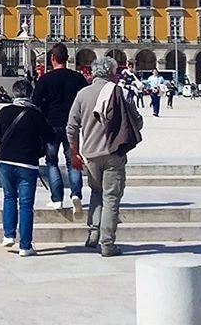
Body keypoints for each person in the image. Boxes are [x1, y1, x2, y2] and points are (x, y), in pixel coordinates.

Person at [66, 56, 143, 257]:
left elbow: (71, 127)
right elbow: (137, 122)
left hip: (90, 154)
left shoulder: (83, 94)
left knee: (96, 193)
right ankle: (107, 244)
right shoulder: (121, 92)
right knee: (111, 197)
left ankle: (93, 234)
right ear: (111, 73)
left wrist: (74, 152)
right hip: (114, 154)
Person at [0, 79, 55, 257]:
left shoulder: (5, 111)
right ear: (30, 94)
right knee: (26, 205)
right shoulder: (36, 115)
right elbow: (50, 136)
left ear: (14, 93)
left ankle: (8, 234)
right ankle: (25, 245)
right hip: (27, 163)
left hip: (5, 160)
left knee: (9, 196)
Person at [32, 42, 87, 214]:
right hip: (72, 125)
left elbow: (35, 102)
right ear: (67, 58)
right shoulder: (78, 78)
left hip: (51, 126)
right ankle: (76, 194)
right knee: (73, 161)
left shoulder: (45, 79)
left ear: (53, 58)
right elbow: (84, 101)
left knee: (52, 162)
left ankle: (57, 199)